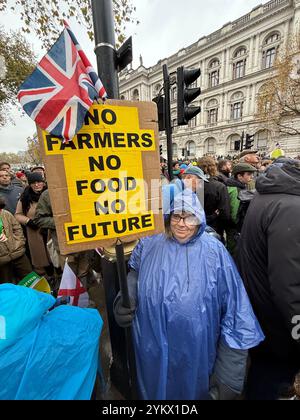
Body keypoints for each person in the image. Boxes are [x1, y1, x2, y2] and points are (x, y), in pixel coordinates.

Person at [114, 190, 264, 400]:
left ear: (200, 218)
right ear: (168, 217)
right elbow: (135, 270)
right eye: (176, 216)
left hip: (195, 356)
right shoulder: (150, 243)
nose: (182, 224)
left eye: (189, 217)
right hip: (151, 351)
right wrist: (127, 295)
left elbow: (236, 312)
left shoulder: (215, 253)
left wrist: (229, 374)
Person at [236, 160, 300, 400]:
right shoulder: (292, 207)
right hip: (276, 320)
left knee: (264, 371)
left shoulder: (270, 195)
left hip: (259, 306)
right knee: (271, 375)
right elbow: (289, 286)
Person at [15, 172, 51, 276]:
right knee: (40, 259)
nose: (37, 185)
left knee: (54, 257)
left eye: (39, 182)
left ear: (43, 183)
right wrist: (28, 221)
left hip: (50, 231)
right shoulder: (25, 197)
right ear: (29, 184)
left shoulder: (50, 194)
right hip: (35, 233)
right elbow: (17, 214)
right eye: (33, 182)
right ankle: (46, 280)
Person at [226, 163, 256, 256]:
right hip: (235, 228)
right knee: (234, 251)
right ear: (239, 176)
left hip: (232, 227)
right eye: (249, 174)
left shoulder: (237, 185)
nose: (251, 177)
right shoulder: (235, 189)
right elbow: (235, 212)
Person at [0, 197, 32, 283]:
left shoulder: (6, 214)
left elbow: (17, 228)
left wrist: (19, 243)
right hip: (2, 261)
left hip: (18, 253)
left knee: (30, 279)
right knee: (7, 286)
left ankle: (36, 296)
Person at [198, 156, 230, 239]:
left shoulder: (196, 185)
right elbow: (225, 213)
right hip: (215, 227)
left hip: (199, 225)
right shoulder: (219, 186)